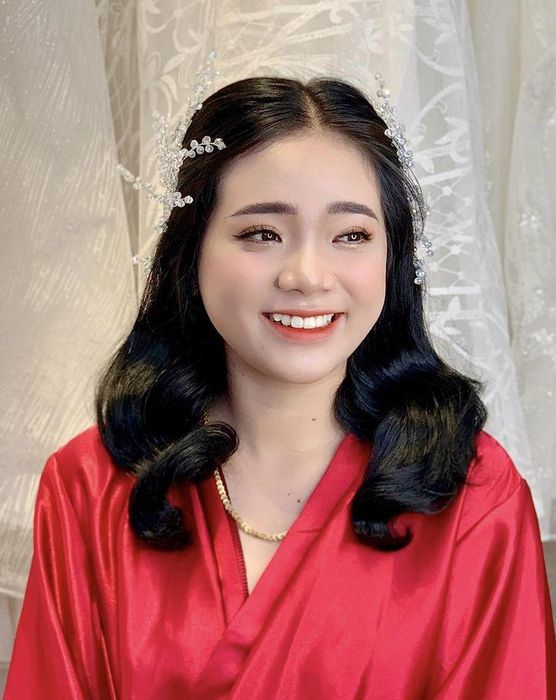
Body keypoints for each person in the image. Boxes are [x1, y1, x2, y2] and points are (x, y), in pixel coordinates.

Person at [4, 73, 556, 699]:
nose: (308, 276)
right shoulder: (90, 487)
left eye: (351, 235)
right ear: (192, 252)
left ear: (393, 257)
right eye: (262, 234)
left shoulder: (472, 494)